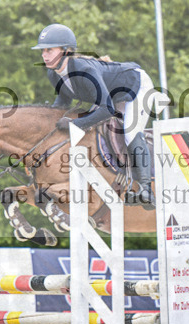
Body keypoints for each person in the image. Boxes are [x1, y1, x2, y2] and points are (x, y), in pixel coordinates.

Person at [32, 23, 159, 207]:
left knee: (130, 131)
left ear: (66, 51)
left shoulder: (84, 70)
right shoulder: (53, 74)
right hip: (111, 96)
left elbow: (107, 109)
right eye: (42, 51)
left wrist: (76, 125)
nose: (44, 55)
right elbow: (62, 104)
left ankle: (146, 190)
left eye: (49, 50)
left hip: (136, 86)